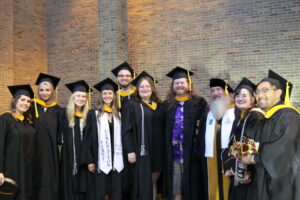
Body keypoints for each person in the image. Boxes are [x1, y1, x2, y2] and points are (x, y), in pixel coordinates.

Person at [241, 70, 300, 200]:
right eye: (257, 92)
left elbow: (284, 148)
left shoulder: (289, 116)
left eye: (265, 90)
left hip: (283, 185)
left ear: (278, 92)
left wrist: (253, 158)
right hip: (264, 183)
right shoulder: (265, 118)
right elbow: (255, 141)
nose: (260, 95)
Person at [161, 67, 207, 200]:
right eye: (177, 83)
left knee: (192, 187)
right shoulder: (167, 105)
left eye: (182, 82)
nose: (180, 85)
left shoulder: (199, 103)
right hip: (173, 155)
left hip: (192, 154)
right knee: (176, 187)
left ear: (189, 84)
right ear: (173, 86)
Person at [122, 71, 164, 200]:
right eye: (141, 86)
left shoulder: (160, 106)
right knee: (142, 182)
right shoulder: (132, 105)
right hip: (141, 150)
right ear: (137, 89)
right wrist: (130, 151)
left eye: (147, 86)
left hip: (157, 150)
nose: (145, 89)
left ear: (152, 88)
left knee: (153, 180)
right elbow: (126, 130)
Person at [223, 78, 265, 200]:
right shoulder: (242, 117)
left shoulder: (254, 117)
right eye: (237, 95)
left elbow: (252, 147)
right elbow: (235, 145)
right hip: (240, 173)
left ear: (253, 99)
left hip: (248, 177)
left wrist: (246, 171)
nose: (239, 98)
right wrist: (231, 166)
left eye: (244, 95)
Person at [86, 78, 124, 200]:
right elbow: (88, 138)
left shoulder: (119, 114)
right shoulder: (94, 114)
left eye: (110, 93)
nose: (107, 96)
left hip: (117, 158)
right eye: (104, 93)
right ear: (101, 96)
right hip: (100, 157)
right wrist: (90, 160)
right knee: (103, 189)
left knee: (116, 189)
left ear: (114, 95)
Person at [201, 78, 236, 200]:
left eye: (218, 89)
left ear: (226, 91)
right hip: (212, 157)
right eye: (212, 90)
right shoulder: (209, 113)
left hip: (230, 158)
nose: (215, 93)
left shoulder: (236, 111)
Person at [0, 85, 36, 200]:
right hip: (12, 169)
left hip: (27, 169)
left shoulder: (27, 122)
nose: (25, 103)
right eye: (22, 100)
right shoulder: (6, 119)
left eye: (28, 101)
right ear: (15, 101)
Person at [61, 80, 92, 200]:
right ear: (73, 97)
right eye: (78, 95)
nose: (81, 98)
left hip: (84, 158)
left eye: (84, 96)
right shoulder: (64, 114)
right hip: (69, 157)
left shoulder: (90, 115)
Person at [33, 73, 62, 200]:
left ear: (52, 91)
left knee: (50, 177)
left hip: (51, 152)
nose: (44, 93)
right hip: (34, 150)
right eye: (41, 90)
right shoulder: (32, 108)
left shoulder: (58, 110)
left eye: (47, 90)